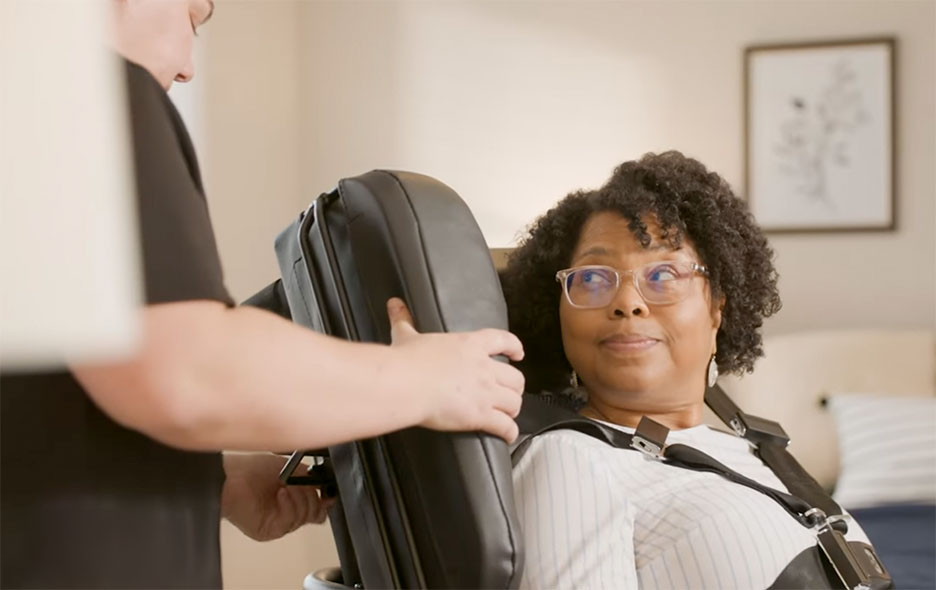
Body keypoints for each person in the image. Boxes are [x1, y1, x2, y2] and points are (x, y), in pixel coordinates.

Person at [0, 1, 524, 587]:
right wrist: (426, 380)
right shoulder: (90, 87)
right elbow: (187, 372)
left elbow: (53, 398)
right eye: (193, 18)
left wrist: (214, 481)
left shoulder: (24, 103)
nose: (187, 68)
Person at [500, 151, 872, 589]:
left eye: (663, 275)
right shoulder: (569, 460)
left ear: (717, 307)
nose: (627, 302)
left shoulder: (759, 449)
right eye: (594, 278)